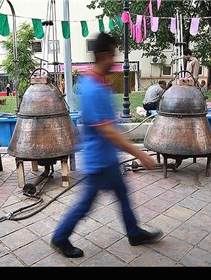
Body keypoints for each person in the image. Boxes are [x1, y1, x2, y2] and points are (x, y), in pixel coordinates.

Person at [51, 32, 163, 258]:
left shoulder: (99, 83)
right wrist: (139, 154)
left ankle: (133, 232)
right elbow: (108, 131)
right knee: (85, 204)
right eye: (113, 54)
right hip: (99, 162)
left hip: (108, 158)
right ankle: (60, 237)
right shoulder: (92, 87)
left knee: (122, 193)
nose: (115, 60)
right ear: (103, 55)